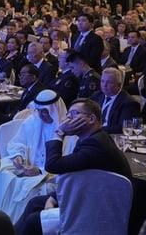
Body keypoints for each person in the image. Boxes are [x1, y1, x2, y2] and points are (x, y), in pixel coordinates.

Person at [13, 98, 132, 235]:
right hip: (91, 196)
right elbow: (74, 176)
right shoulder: (94, 139)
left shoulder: (95, 145)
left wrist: (59, 132)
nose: (67, 119)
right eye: (68, 114)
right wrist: (54, 197)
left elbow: (53, 165)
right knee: (35, 203)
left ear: (91, 119)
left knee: (34, 221)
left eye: (74, 114)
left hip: (101, 208)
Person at [0, 89, 69, 222]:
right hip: (27, 165)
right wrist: (18, 156)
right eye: (39, 111)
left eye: (45, 111)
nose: (42, 116)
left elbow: (66, 162)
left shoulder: (67, 131)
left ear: (54, 110)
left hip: (50, 175)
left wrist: (40, 170)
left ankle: (16, 224)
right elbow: (18, 143)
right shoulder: (33, 121)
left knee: (26, 188)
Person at [89, 67, 141, 135]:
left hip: (112, 137)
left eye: (109, 82)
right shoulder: (97, 95)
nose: (104, 85)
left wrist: (95, 129)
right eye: (102, 81)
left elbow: (123, 128)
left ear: (119, 85)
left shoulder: (129, 103)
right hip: (93, 134)